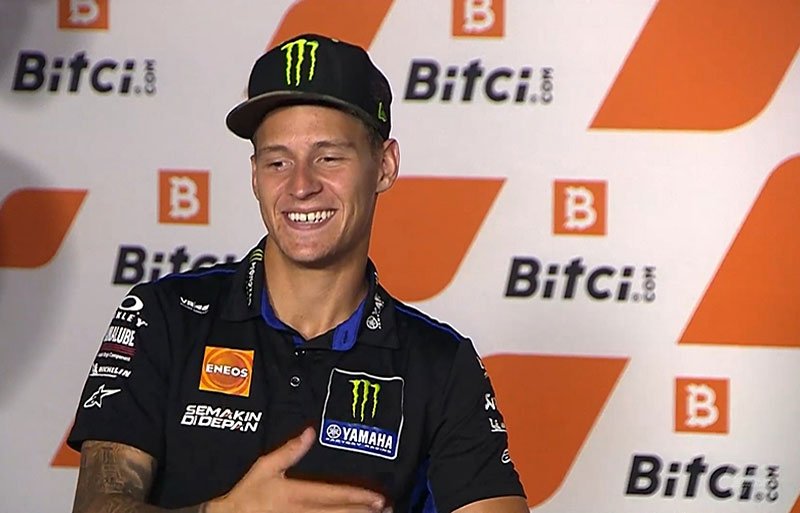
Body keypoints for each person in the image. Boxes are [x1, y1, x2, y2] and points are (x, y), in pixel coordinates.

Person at [68, 33, 528, 513]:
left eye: (328, 157)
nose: (301, 185)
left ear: (385, 166)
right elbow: (97, 505)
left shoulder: (441, 365)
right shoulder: (164, 317)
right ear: (254, 175)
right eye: (278, 161)